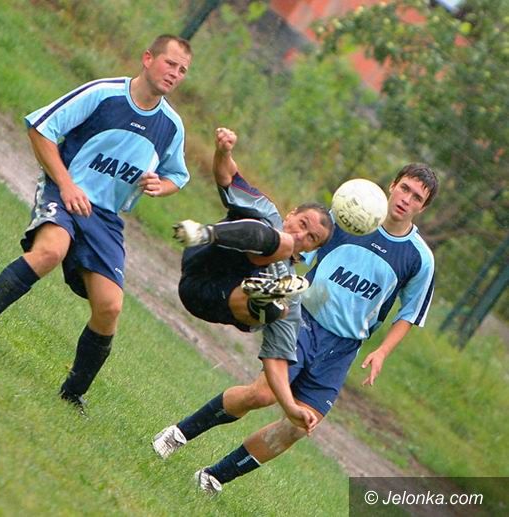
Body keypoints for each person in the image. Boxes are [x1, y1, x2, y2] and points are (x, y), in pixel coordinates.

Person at [152, 163, 439, 494]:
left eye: (417, 198)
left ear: (422, 208)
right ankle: (178, 434)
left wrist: (383, 352)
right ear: (393, 185)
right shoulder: (347, 217)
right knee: (262, 394)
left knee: (299, 426)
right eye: (404, 188)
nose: (406, 199)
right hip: (304, 320)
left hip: (343, 349)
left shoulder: (420, 258)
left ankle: (212, 478)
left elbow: (410, 313)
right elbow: (296, 248)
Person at [0, 34, 193, 410]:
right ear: (148, 58)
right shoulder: (104, 94)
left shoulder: (172, 126)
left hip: (105, 217)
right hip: (64, 191)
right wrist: (67, 185)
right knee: (50, 251)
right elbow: (40, 129)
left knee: (110, 307)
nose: (175, 74)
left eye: (182, 70)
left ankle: (72, 393)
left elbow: (177, 176)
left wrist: (159, 185)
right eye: (170, 63)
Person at [168, 127, 333, 434]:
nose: (302, 235)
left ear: (313, 249)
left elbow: (277, 358)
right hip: (204, 261)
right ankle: (206, 234)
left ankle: (262, 298)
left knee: (280, 307)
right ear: (291, 213)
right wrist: (224, 150)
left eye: (312, 238)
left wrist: (290, 407)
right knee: (281, 242)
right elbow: (227, 176)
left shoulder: (290, 288)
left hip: (213, 300)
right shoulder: (266, 210)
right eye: (302, 223)